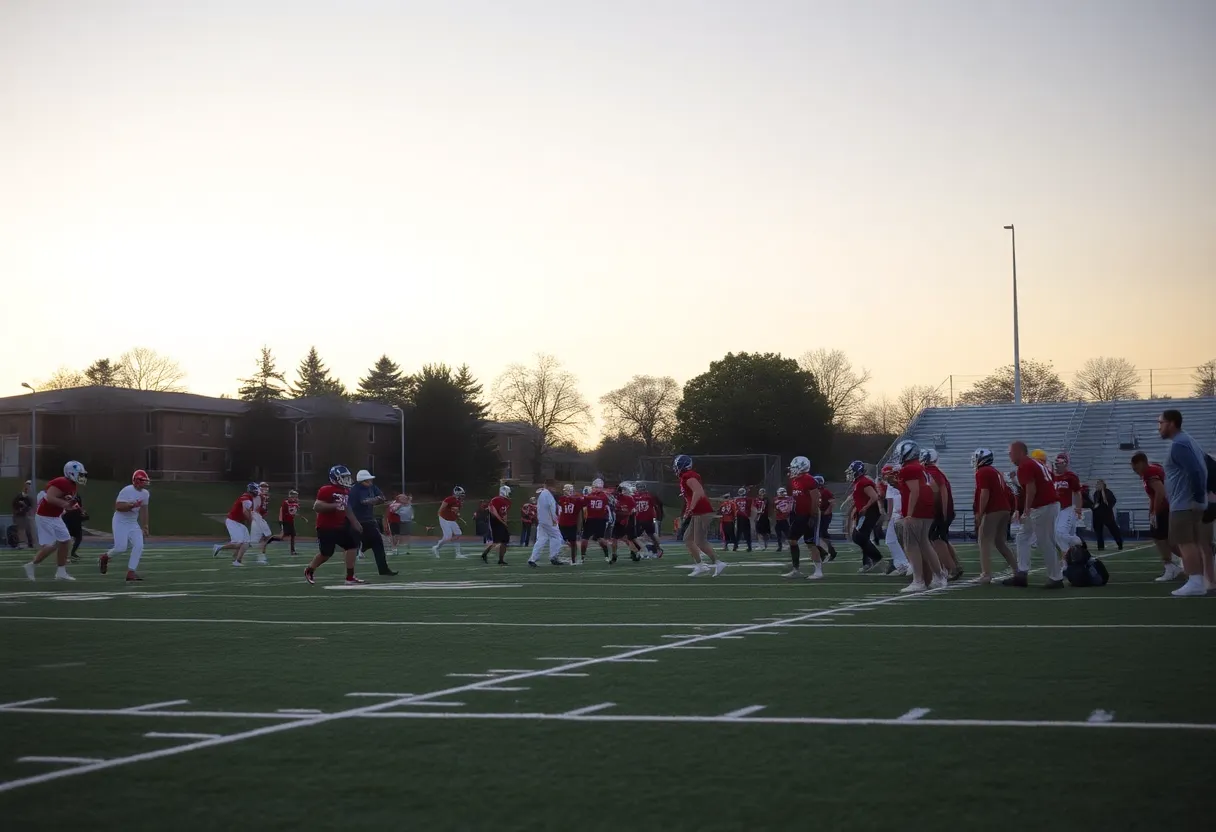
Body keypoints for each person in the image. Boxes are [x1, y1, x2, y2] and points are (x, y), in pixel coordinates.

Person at [1157, 409, 1212, 596]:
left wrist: (1197, 498)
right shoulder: (1186, 441)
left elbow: (1196, 471)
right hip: (1189, 502)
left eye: (1161, 423)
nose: (1159, 427)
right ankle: (1197, 580)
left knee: (1185, 542)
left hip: (1184, 504)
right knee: (1190, 542)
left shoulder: (1180, 444)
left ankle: (1195, 581)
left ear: (1172, 423)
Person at [1006, 441, 1063, 589]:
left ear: (1019, 452)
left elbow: (1031, 489)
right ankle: (1022, 573)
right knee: (1022, 536)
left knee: (1045, 541)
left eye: (1011, 452)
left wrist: (1026, 509)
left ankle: (1055, 577)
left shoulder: (1025, 465)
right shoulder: (1035, 463)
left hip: (1043, 506)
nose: (1009, 455)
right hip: (1047, 504)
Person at [22, 461, 87, 582]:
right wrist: (65, 504)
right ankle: (31, 565)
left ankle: (61, 572)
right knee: (53, 544)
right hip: (45, 516)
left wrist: (71, 506)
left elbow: (65, 499)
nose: (81, 477)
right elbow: (49, 497)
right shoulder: (61, 482)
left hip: (55, 517)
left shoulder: (72, 485)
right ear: (71, 473)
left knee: (64, 541)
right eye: (80, 474)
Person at [894, 441, 945, 593]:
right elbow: (933, 488)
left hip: (916, 512)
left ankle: (918, 580)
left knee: (912, 546)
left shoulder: (909, 469)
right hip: (926, 509)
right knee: (925, 544)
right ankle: (940, 576)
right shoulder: (922, 468)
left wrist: (909, 513)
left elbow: (914, 491)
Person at [304, 465, 365, 585]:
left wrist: (355, 522)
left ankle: (350, 577)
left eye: (347, 477)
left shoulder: (346, 491)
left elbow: (347, 508)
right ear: (334, 478)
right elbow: (317, 506)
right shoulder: (326, 489)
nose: (346, 480)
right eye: (343, 477)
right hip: (326, 527)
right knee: (326, 553)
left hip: (341, 525)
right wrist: (334, 506)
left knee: (352, 546)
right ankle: (309, 570)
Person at [1131, 452, 1184, 582]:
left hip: (1165, 508)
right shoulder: (1152, 469)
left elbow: (1160, 491)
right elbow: (1154, 495)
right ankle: (1183, 563)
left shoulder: (1150, 472)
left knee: (1161, 539)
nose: (1135, 471)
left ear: (1142, 463)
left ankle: (1172, 566)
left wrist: (1155, 511)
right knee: (1165, 539)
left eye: (1136, 468)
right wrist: (1152, 511)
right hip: (1168, 507)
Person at [673, 454, 726, 577]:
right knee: (688, 538)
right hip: (698, 511)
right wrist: (688, 509)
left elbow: (699, 492)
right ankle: (700, 565)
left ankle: (718, 563)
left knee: (700, 541)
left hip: (702, 510)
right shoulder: (685, 477)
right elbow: (692, 495)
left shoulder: (688, 476)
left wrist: (690, 508)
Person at [972, 449, 1017, 583]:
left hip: (994, 509)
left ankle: (986, 574)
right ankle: (1016, 569)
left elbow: (985, 493)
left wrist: (980, 513)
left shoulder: (983, 472)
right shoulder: (995, 472)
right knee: (1000, 542)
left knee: (984, 541)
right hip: (1004, 509)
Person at [100, 469, 150, 582]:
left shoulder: (145, 493)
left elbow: (144, 510)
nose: (145, 483)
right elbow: (118, 506)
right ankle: (105, 557)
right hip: (120, 521)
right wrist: (131, 506)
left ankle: (131, 572)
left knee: (139, 545)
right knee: (120, 547)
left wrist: (145, 525)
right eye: (142, 481)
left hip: (132, 522)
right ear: (136, 481)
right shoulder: (127, 490)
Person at [922, 449, 961, 580]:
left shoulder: (931, 472)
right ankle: (955, 566)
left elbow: (941, 490)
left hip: (939, 512)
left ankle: (951, 568)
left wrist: (943, 512)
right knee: (942, 539)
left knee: (937, 540)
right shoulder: (935, 472)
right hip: (943, 511)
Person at [783, 456, 823, 581]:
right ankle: (796, 569)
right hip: (799, 515)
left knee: (810, 542)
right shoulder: (794, 480)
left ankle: (818, 571)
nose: (793, 470)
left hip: (809, 515)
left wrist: (813, 515)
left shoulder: (809, 479)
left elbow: (815, 498)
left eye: (795, 467)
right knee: (792, 540)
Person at [349, 469, 396, 576]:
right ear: (363, 480)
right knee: (355, 545)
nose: (371, 481)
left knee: (377, 543)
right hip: (357, 520)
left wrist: (379, 499)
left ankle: (382, 568)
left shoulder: (372, 487)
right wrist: (377, 499)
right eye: (368, 479)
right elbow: (364, 501)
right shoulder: (356, 489)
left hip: (368, 520)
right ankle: (352, 570)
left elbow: (381, 497)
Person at [845, 461, 884, 572]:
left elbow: (874, 497)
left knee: (860, 537)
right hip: (863, 512)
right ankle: (867, 562)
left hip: (870, 512)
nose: (850, 474)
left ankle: (877, 559)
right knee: (859, 537)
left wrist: (865, 507)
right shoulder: (858, 482)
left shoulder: (864, 482)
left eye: (852, 472)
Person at [213, 483, 256, 566]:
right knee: (238, 544)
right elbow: (245, 511)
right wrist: (250, 520)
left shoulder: (247, 497)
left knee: (246, 543)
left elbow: (247, 512)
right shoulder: (247, 498)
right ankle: (219, 547)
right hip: (233, 522)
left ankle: (237, 561)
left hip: (238, 522)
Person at [1051, 452, 1085, 558]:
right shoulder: (1051, 476)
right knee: (1058, 536)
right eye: (1056, 462)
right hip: (1056, 510)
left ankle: (1078, 542)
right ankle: (1068, 561)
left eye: (1060, 462)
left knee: (1059, 534)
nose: (1057, 464)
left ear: (1065, 463)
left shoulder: (1071, 476)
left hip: (1068, 508)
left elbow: (1077, 492)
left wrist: (1078, 509)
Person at [880, 464, 911, 576]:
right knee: (892, 540)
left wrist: (888, 519)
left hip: (901, 515)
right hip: (898, 515)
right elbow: (891, 503)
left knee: (904, 541)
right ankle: (902, 564)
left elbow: (892, 504)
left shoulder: (898, 483)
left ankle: (908, 564)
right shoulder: (894, 485)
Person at [528, 479, 565, 567]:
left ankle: (532, 558)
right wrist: (554, 519)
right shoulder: (548, 495)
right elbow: (552, 508)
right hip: (549, 520)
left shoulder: (542, 494)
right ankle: (554, 557)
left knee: (541, 539)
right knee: (557, 538)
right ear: (550, 486)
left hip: (542, 520)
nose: (555, 489)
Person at [580, 479, 613, 562]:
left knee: (600, 539)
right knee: (584, 539)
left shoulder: (603, 496)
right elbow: (583, 503)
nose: (596, 489)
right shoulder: (591, 495)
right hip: (591, 519)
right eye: (595, 487)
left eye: (597, 487)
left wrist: (584, 496)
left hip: (600, 520)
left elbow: (593, 499)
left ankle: (606, 555)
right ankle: (582, 557)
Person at [610, 482, 643, 562]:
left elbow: (634, 510)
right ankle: (615, 554)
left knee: (629, 539)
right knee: (620, 538)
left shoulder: (627, 499)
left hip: (627, 521)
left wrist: (627, 515)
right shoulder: (615, 499)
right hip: (619, 521)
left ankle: (637, 552)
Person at [432, 486, 467, 558]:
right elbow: (442, 506)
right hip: (444, 518)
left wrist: (457, 515)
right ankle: (437, 547)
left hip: (451, 520)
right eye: (461, 494)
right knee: (448, 537)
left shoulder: (459, 502)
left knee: (458, 534)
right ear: (457, 493)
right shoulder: (450, 499)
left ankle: (458, 554)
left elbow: (455, 512)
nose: (462, 496)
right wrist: (440, 513)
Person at [249, 482, 279, 563]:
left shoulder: (265, 496)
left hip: (260, 517)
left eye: (266, 487)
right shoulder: (258, 495)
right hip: (256, 516)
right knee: (266, 536)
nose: (265, 488)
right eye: (263, 487)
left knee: (265, 537)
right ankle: (261, 556)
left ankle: (261, 555)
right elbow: (256, 505)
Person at [482, 485, 512, 565]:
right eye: (508, 492)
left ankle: (501, 560)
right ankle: (484, 554)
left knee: (505, 541)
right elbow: (493, 512)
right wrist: (502, 522)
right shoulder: (496, 500)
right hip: (495, 521)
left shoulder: (508, 501)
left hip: (501, 521)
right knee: (496, 541)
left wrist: (505, 522)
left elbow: (505, 513)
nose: (509, 494)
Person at [1090, 480, 1122, 551]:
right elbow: (1096, 503)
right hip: (1098, 515)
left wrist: (1102, 491)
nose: (1097, 486)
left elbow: (1106, 502)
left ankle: (1119, 544)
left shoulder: (1108, 492)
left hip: (1107, 515)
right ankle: (1100, 547)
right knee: (1098, 532)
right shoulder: (1096, 493)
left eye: (1099, 484)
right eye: (1097, 484)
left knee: (1114, 530)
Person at [633, 483, 663, 558]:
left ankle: (658, 549)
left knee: (651, 535)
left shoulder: (649, 496)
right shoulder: (634, 496)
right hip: (638, 519)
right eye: (639, 488)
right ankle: (637, 552)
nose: (640, 490)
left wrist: (658, 517)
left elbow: (656, 506)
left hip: (648, 519)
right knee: (635, 537)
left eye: (641, 488)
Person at [556, 484, 584, 563]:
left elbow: (581, 506)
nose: (568, 492)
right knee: (561, 541)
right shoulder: (562, 499)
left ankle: (573, 560)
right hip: (563, 524)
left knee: (573, 543)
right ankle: (556, 556)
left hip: (571, 524)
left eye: (569, 490)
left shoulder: (576, 500)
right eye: (567, 490)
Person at [814, 475, 838, 563]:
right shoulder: (815, 491)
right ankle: (830, 551)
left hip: (824, 515)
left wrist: (827, 511)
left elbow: (832, 503)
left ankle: (825, 552)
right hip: (818, 514)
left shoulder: (825, 491)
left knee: (820, 534)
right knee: (820, 535)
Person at [62, 491, 87, 562]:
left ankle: (71, 553)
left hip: (73, 519)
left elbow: (79, 507)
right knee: (67, 539)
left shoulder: (74, 496)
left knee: (76, 538)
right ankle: (68, 554)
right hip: (70, 520)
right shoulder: (68, 496)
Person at [279, 490, 304, 557]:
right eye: (295, 497)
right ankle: (270, 540)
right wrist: (281, 520)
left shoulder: (294, 503)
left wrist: (298, 514)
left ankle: (292, 550)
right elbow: (285, 511)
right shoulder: (286, 502)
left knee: (293, 535)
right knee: (282, 536)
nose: (296, 498)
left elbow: (293, 512)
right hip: (286, 522)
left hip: (290, 521)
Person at [12, 481, 35, 548]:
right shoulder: (18, 496)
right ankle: (20, 543)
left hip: (25, 515)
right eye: (27, 487)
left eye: (29, 487)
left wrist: (25, 506)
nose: (28, 488)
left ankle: (30, 544)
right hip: (18, 515)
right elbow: (14, 505)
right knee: (20, 529)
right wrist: (17, 511)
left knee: (28, 529)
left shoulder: (29, 498)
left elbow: (30, 507)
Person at [733, 487, 754, 552]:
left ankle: (736, 546)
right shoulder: (746, 499)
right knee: (744, 533)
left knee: (740, 533)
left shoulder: (737, 500)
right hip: (743, 517)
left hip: (743, 517)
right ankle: (748, 546)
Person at [773, 487, 793, 552]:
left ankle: (792, 546)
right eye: (781, 492)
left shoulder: (788, 499)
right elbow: (775, 508)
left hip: (784, 519)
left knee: (788, 535)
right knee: (779, 535)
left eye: (783, 492)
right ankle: (780, 546)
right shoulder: (776, 499)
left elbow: (790, 507)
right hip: (778, 520)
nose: (783, 493)